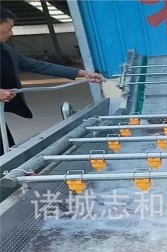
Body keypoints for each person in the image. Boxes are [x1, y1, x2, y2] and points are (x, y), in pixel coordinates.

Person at [0, 7, 104, 155]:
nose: (11, 33)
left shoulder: (6, 51)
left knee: (6, 152)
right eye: (9, 28)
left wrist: (81, 73)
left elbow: (38, 65)